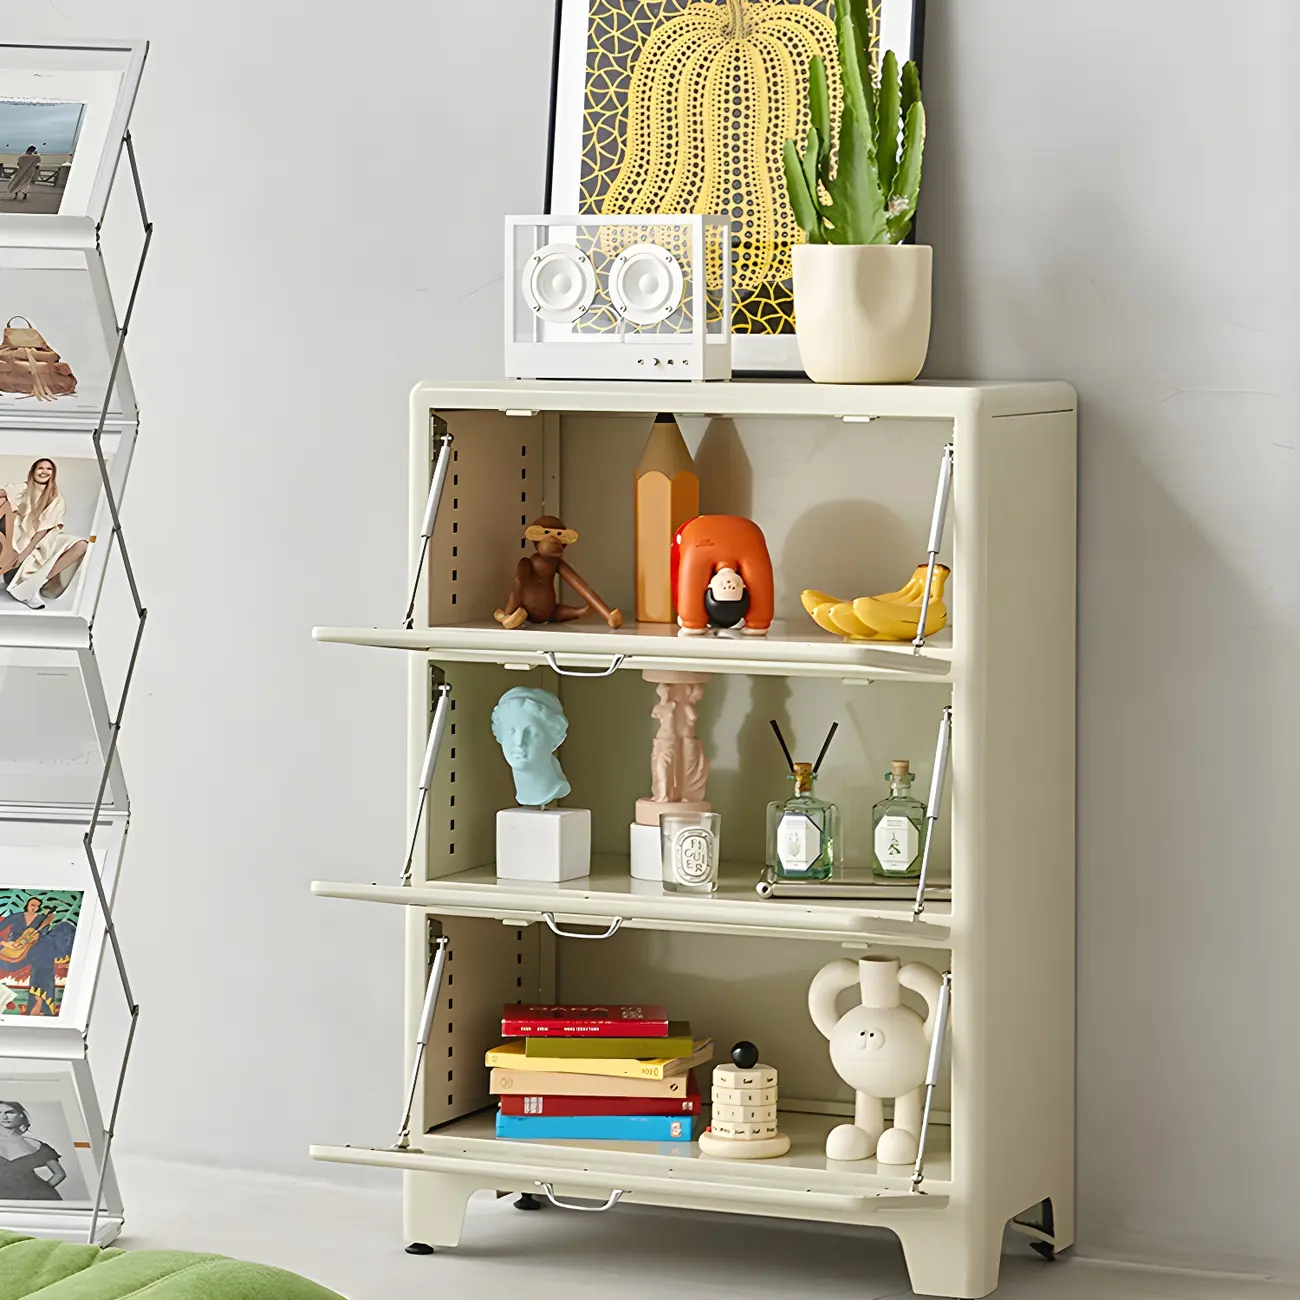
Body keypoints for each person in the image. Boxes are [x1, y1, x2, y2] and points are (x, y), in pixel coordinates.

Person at [0, 459, 89, 610]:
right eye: (40, 468)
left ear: (53, 473)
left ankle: (36, 585)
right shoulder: (22, 488)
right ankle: (25, 587)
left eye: (49, 469)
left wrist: (26, 552)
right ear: (33, 471)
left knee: (81, 545)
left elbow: (44, 530)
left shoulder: (56, 497)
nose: (44, 472)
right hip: (19, 535)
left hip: (43, 538)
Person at [0, 895, 76, 1017]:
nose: (34, 908)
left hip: (32, 949)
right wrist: (5, 943)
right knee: (45, 949)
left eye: (37, 906)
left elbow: (41, 934)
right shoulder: (16, 917)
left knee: (58, 933)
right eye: (32, 905)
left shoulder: (41, 919)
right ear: (27, 905)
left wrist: (38, 936)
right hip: (11, 953)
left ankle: (37, 1001)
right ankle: (41, 1001)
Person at [0, 1101, 66, 1200]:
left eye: (10, 1112)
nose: (4, 1117)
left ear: (21, 1115)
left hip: (36, 1201)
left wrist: (38, 1193)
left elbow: (60, 1174)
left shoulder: (36, 1145)